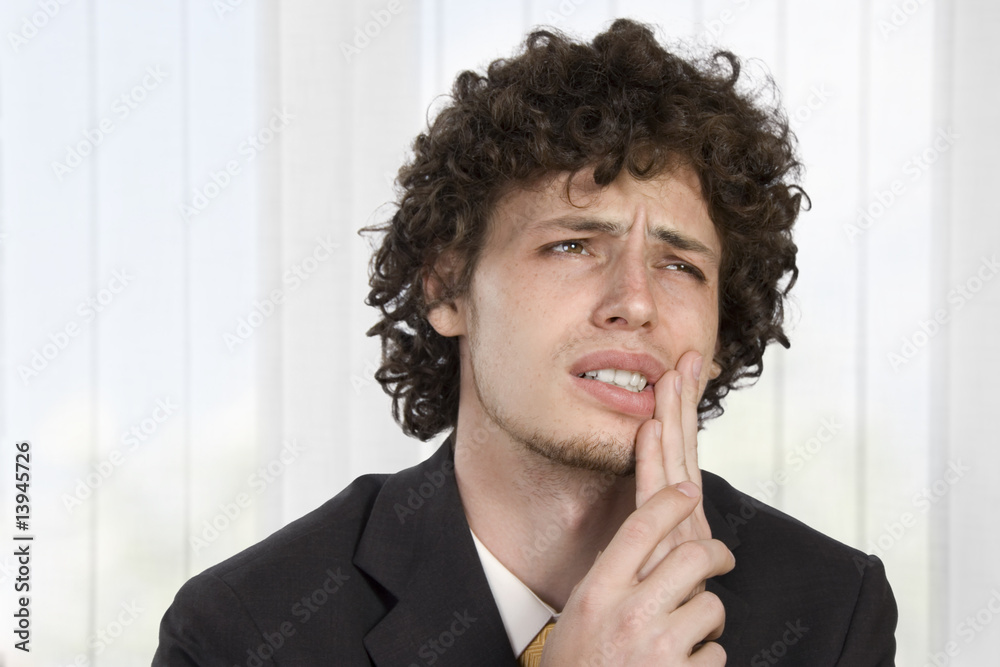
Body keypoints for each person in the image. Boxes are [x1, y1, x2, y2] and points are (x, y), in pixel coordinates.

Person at [153, 18, 896, 666]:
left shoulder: (832, 612)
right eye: (573, 246)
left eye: (680, 265)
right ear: (447, 289)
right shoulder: (244, 630)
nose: (636, 301)